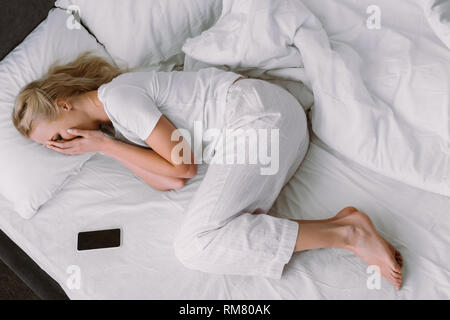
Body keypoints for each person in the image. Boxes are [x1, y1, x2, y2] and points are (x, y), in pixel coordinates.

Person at [12, 52, 403, 289]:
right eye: (52, 146)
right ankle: (345, 226)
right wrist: (105, 145)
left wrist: (100, 144)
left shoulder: (117, 96)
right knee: (214, 237)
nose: (60, 145)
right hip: (272, 133)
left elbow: (182, 165)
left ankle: (349, 234)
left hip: (259, 121)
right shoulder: (117, 121)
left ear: (63, 105)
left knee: (195, 244)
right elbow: (169, 180)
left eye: (55, 137)